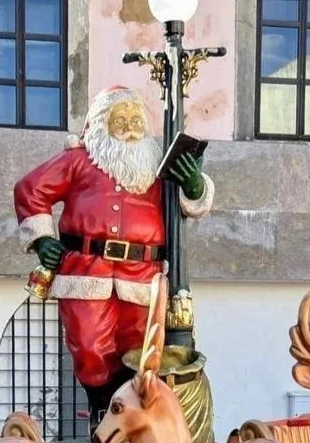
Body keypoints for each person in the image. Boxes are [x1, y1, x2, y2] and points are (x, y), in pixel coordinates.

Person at [14, 85, 214, 418]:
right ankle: (102, 409)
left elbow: (190, 202)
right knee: (90, 347)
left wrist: (194, 185)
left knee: (140, 350)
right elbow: (30, 189)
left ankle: (132, 415)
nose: (129, 127)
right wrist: (42, 239)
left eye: (135, 118)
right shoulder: (79, 160)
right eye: (119, 119)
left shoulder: (157, 162)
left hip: (143, 277)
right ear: (100, 122)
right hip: (88, 272)